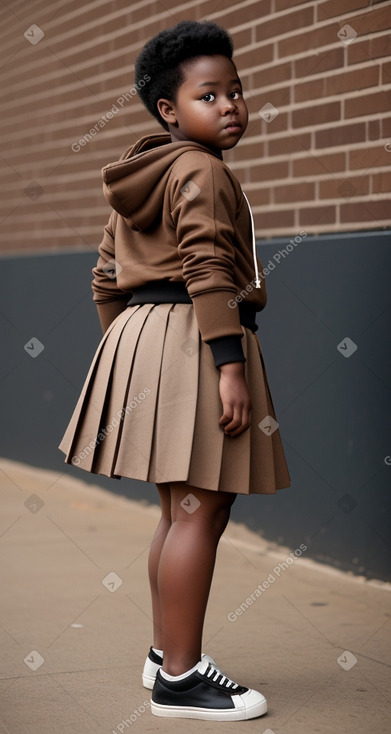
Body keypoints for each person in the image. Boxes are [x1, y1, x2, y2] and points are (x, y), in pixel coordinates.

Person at [59, 19, 291, 721]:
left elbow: (104, 276)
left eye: (236, 92)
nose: (230, 106)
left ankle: (165, 652)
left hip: (144, 337)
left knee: (176, 508)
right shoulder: (200, 170)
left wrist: (128, 351)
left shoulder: (141, 176)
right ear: (169, 110)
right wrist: (227, 365)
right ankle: (182, 679)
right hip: (196, 336)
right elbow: (206, 266)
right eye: (209, 95)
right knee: (203, 505)